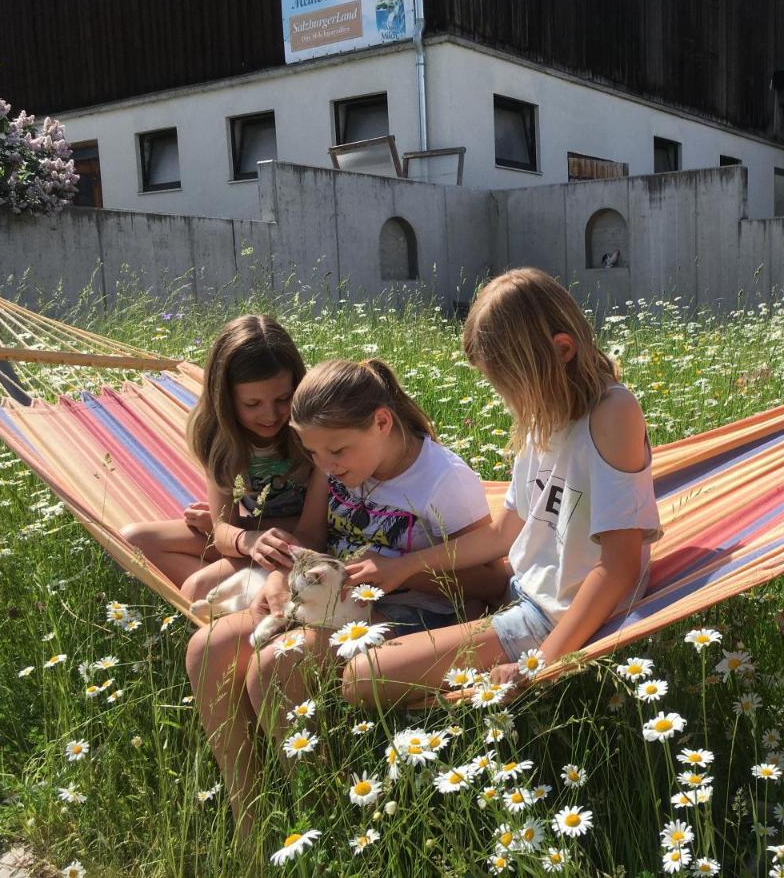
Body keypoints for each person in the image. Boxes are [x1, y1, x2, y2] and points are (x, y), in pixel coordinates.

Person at [185, 357, 499, 838]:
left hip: (416, 618)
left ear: (381, 422)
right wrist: (279, 575)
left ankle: (324, 827)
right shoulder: (332, 466)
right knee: (208, 647)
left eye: (336, 452)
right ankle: (248, 812)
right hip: (335, 602)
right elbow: (311, 535)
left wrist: (403, 572)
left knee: (275, 666)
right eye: (313, 454)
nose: (326, 466)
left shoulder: (443, 480)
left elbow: (493, 585)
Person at [337, 267, 662, 709]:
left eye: (508, 385)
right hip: (520, 587)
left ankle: (479, 677)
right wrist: (405, 567)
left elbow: (618, 568)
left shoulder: (613, 412)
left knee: (362, 678)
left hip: (553, 614)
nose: (505, 399)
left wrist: (536, 668)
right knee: (350, 644)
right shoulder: (548, 412)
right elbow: (503, 533)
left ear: (561, 351)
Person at [121, 315, 310, 596]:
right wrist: (245, 537)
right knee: (133, 540)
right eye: (252, 403)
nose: (270, 415)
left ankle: (236, 595)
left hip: (307, 544)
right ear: (225, 399)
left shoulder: (310, 427)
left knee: (197, 588)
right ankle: (247, 593)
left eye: (283, 399)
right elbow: (223, 531)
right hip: (255, 539)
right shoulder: (217, 436)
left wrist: (242, 529)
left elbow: (319, 527)